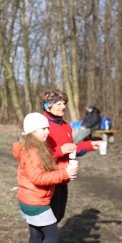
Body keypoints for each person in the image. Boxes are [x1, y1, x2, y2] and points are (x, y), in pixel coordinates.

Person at [13, 113, 78, 243]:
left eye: (48, 128)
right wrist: (64, 173)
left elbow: (44, 170)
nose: (47, 132)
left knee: (36, 234)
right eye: (43, 128)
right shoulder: (33, 151)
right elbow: (38, 178)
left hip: (27, 199)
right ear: (32, 130)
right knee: (52, 234)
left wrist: (63, 171)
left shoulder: (32, 147)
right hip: (36, 201)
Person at [40, 90, 103, 223]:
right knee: (46, 221)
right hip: (48, 179)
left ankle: (47, 242)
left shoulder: (65, 125)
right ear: (47, 106)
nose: (63, 106)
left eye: (64, 103)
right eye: (58, 103)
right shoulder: (42, 125)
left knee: (58, 215)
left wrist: (90, 145)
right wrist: (60, 150)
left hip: (63, 177)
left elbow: (71, 149)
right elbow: (35, 153)